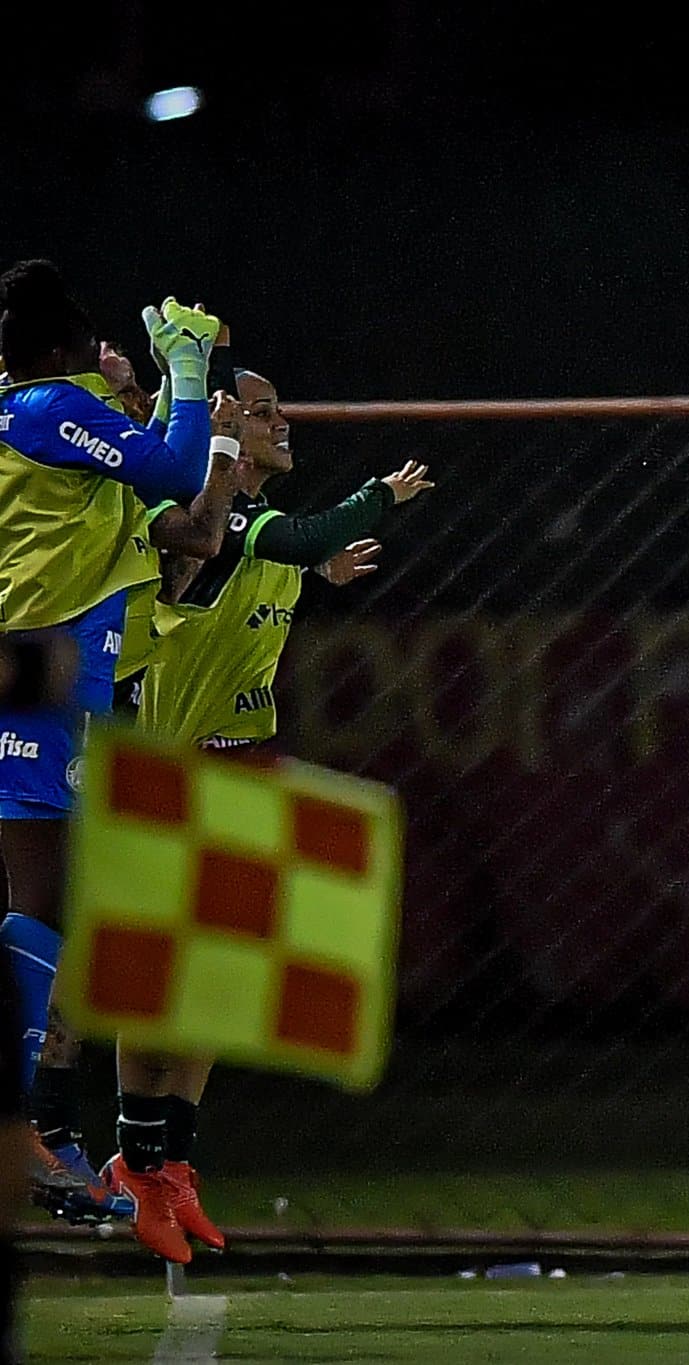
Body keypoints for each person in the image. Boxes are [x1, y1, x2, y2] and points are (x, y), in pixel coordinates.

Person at [107, 366, 433, 1263]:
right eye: (261, 411)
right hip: (175, 773)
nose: (281, 421)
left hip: (241, 765)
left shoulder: (263, 539)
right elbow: (293, 534)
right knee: (159, 983)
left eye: (279, 408)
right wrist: (378, 498)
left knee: (218, 982)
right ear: (226, 432)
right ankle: (133, 1163)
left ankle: (172, 1165)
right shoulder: (220, 521)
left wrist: (318, 567)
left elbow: (291, 551)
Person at [0, 261, 227, 1214]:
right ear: (58, 351)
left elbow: (182, 521)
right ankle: (23, 1132)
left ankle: (38, 1131)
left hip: (56, 688)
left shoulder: (52, 419)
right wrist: (181, 369)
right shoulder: (45, 407)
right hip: (30, 688)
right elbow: (176, 469)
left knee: (57, 908)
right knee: (41, 902)